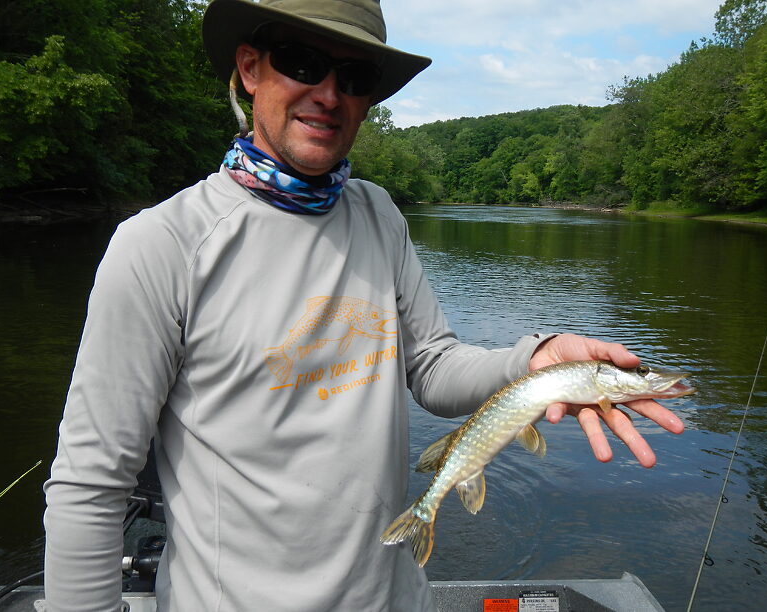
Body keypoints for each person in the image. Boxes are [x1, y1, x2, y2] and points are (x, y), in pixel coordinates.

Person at [42, 0, 684, 610]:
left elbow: (431, 365)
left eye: (354, 76)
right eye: (301, 62)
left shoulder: (377, 214)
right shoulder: (162, 246)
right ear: (249, 67)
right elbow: (90, 487)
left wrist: (534, 361)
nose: (329, 93)